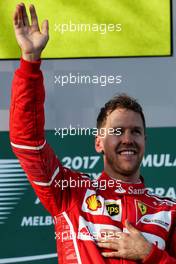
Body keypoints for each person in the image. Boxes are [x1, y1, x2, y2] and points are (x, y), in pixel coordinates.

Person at [10, 3, 176, 264]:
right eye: (117, 131)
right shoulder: (70, 193)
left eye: (136, 131)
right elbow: (27, 141)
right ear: (98, 142)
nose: (128, 139)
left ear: (145, 141)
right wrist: (30, 63)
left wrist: (149, 255)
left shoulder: (168, 211)